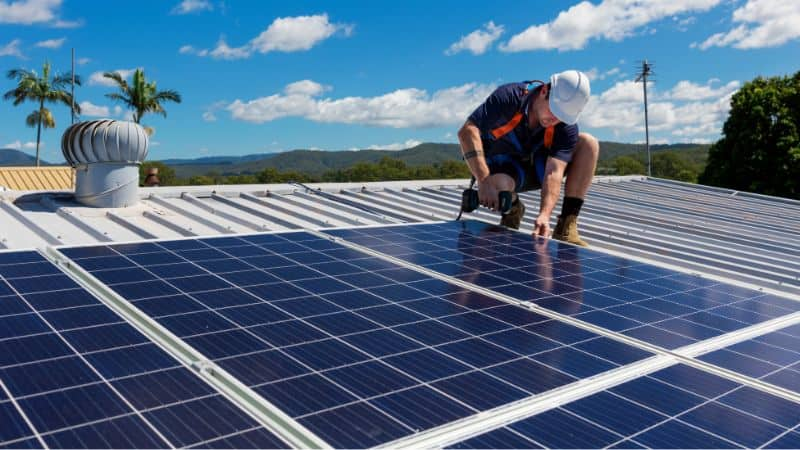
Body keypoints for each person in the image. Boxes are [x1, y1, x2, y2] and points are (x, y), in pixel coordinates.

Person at [457, 70, 599, 247]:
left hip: (537, 167)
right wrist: (484, 181)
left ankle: (566, 225)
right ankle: (514, 207)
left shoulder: (565, 126)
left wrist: (544, 215)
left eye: (561, 117)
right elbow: (467, 131)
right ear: (544, 91)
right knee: (500, 187)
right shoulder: (509, 97)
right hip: (503, 165)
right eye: (554, 111)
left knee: (588, 143)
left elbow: (554, 172)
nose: (554, 120)